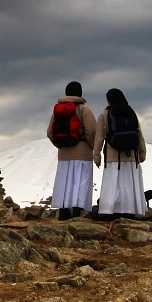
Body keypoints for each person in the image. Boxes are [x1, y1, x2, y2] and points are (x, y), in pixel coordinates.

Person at [93, 88, 148, 219]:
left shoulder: (104, 114)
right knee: (128, 184)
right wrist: (142, 153)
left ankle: (110, 211)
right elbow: (139, 134)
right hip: (131, 156)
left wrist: (96, 156)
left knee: (113, 184)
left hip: (113, 155)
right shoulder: (130, 112)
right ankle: (129, 210)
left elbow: (99, 137)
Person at [47, 81, 97, 220]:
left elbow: (50, 132)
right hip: (82, 153)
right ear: (80, 93)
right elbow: (92, 130)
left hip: (64, 154)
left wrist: (60, 145)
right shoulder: (83, 110)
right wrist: (92, 146)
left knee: (65, 182)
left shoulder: (58, 110)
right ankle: (77, 212)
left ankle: (63, 211)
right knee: (80, 182)